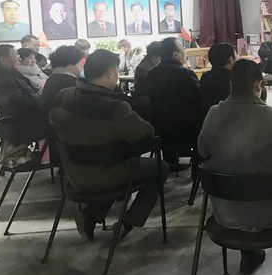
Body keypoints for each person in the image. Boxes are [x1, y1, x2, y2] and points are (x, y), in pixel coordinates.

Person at [50, 49, 169, 241]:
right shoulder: (115, 108)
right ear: (110, 73)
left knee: (113, 164)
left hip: (72, 173)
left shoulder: (63, 96)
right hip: (103, 175)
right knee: (160, 167)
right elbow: (146, 133)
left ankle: (90, 216)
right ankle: (128, 222)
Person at [198, 59, 272, 275]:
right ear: (258, 84)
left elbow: (202, 151)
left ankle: (249, 256)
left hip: (226, 213)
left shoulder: (214, 113)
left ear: (231, 84)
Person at [147, 37, 204, 173]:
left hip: (160, 127)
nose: (185, 51)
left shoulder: (152, 73)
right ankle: (198, 168)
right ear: (175, 54)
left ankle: (171, 162)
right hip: (186, 128)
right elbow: (200, 97)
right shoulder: (184, 73)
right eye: (182, 49)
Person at [39, 45, 84, 162]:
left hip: (51, 129)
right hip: (63, 133)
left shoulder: (53, 78)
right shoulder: (70, 82)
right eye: (79, 62)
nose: (82, 65)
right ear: (70, 64)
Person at [0, 44, 40, 118]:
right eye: (16, 57)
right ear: (3, 60)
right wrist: (40, 96)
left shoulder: (13, 74)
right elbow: (16, 103)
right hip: (17, 122)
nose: (20, 59)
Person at [200, 43, 237, 113]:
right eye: (236, 56)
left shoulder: (205, 77)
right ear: (231, 60)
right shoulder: (234, 79)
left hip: (208, 117)